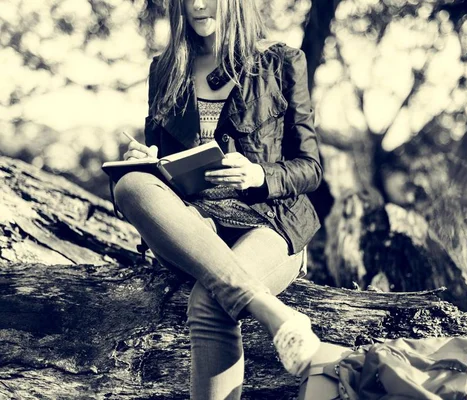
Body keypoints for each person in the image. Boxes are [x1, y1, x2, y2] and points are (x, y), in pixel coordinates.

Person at [111, 0, 323, 398]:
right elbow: (164, 165)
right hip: (195, 223)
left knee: (210, 302)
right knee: (130, 185)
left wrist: (261, 174)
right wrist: (149, 161)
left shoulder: (283, 61)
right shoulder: (164, 69)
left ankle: (263, 308)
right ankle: (275, 314)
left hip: (270, 220)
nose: (198, 4)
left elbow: (311, 168)